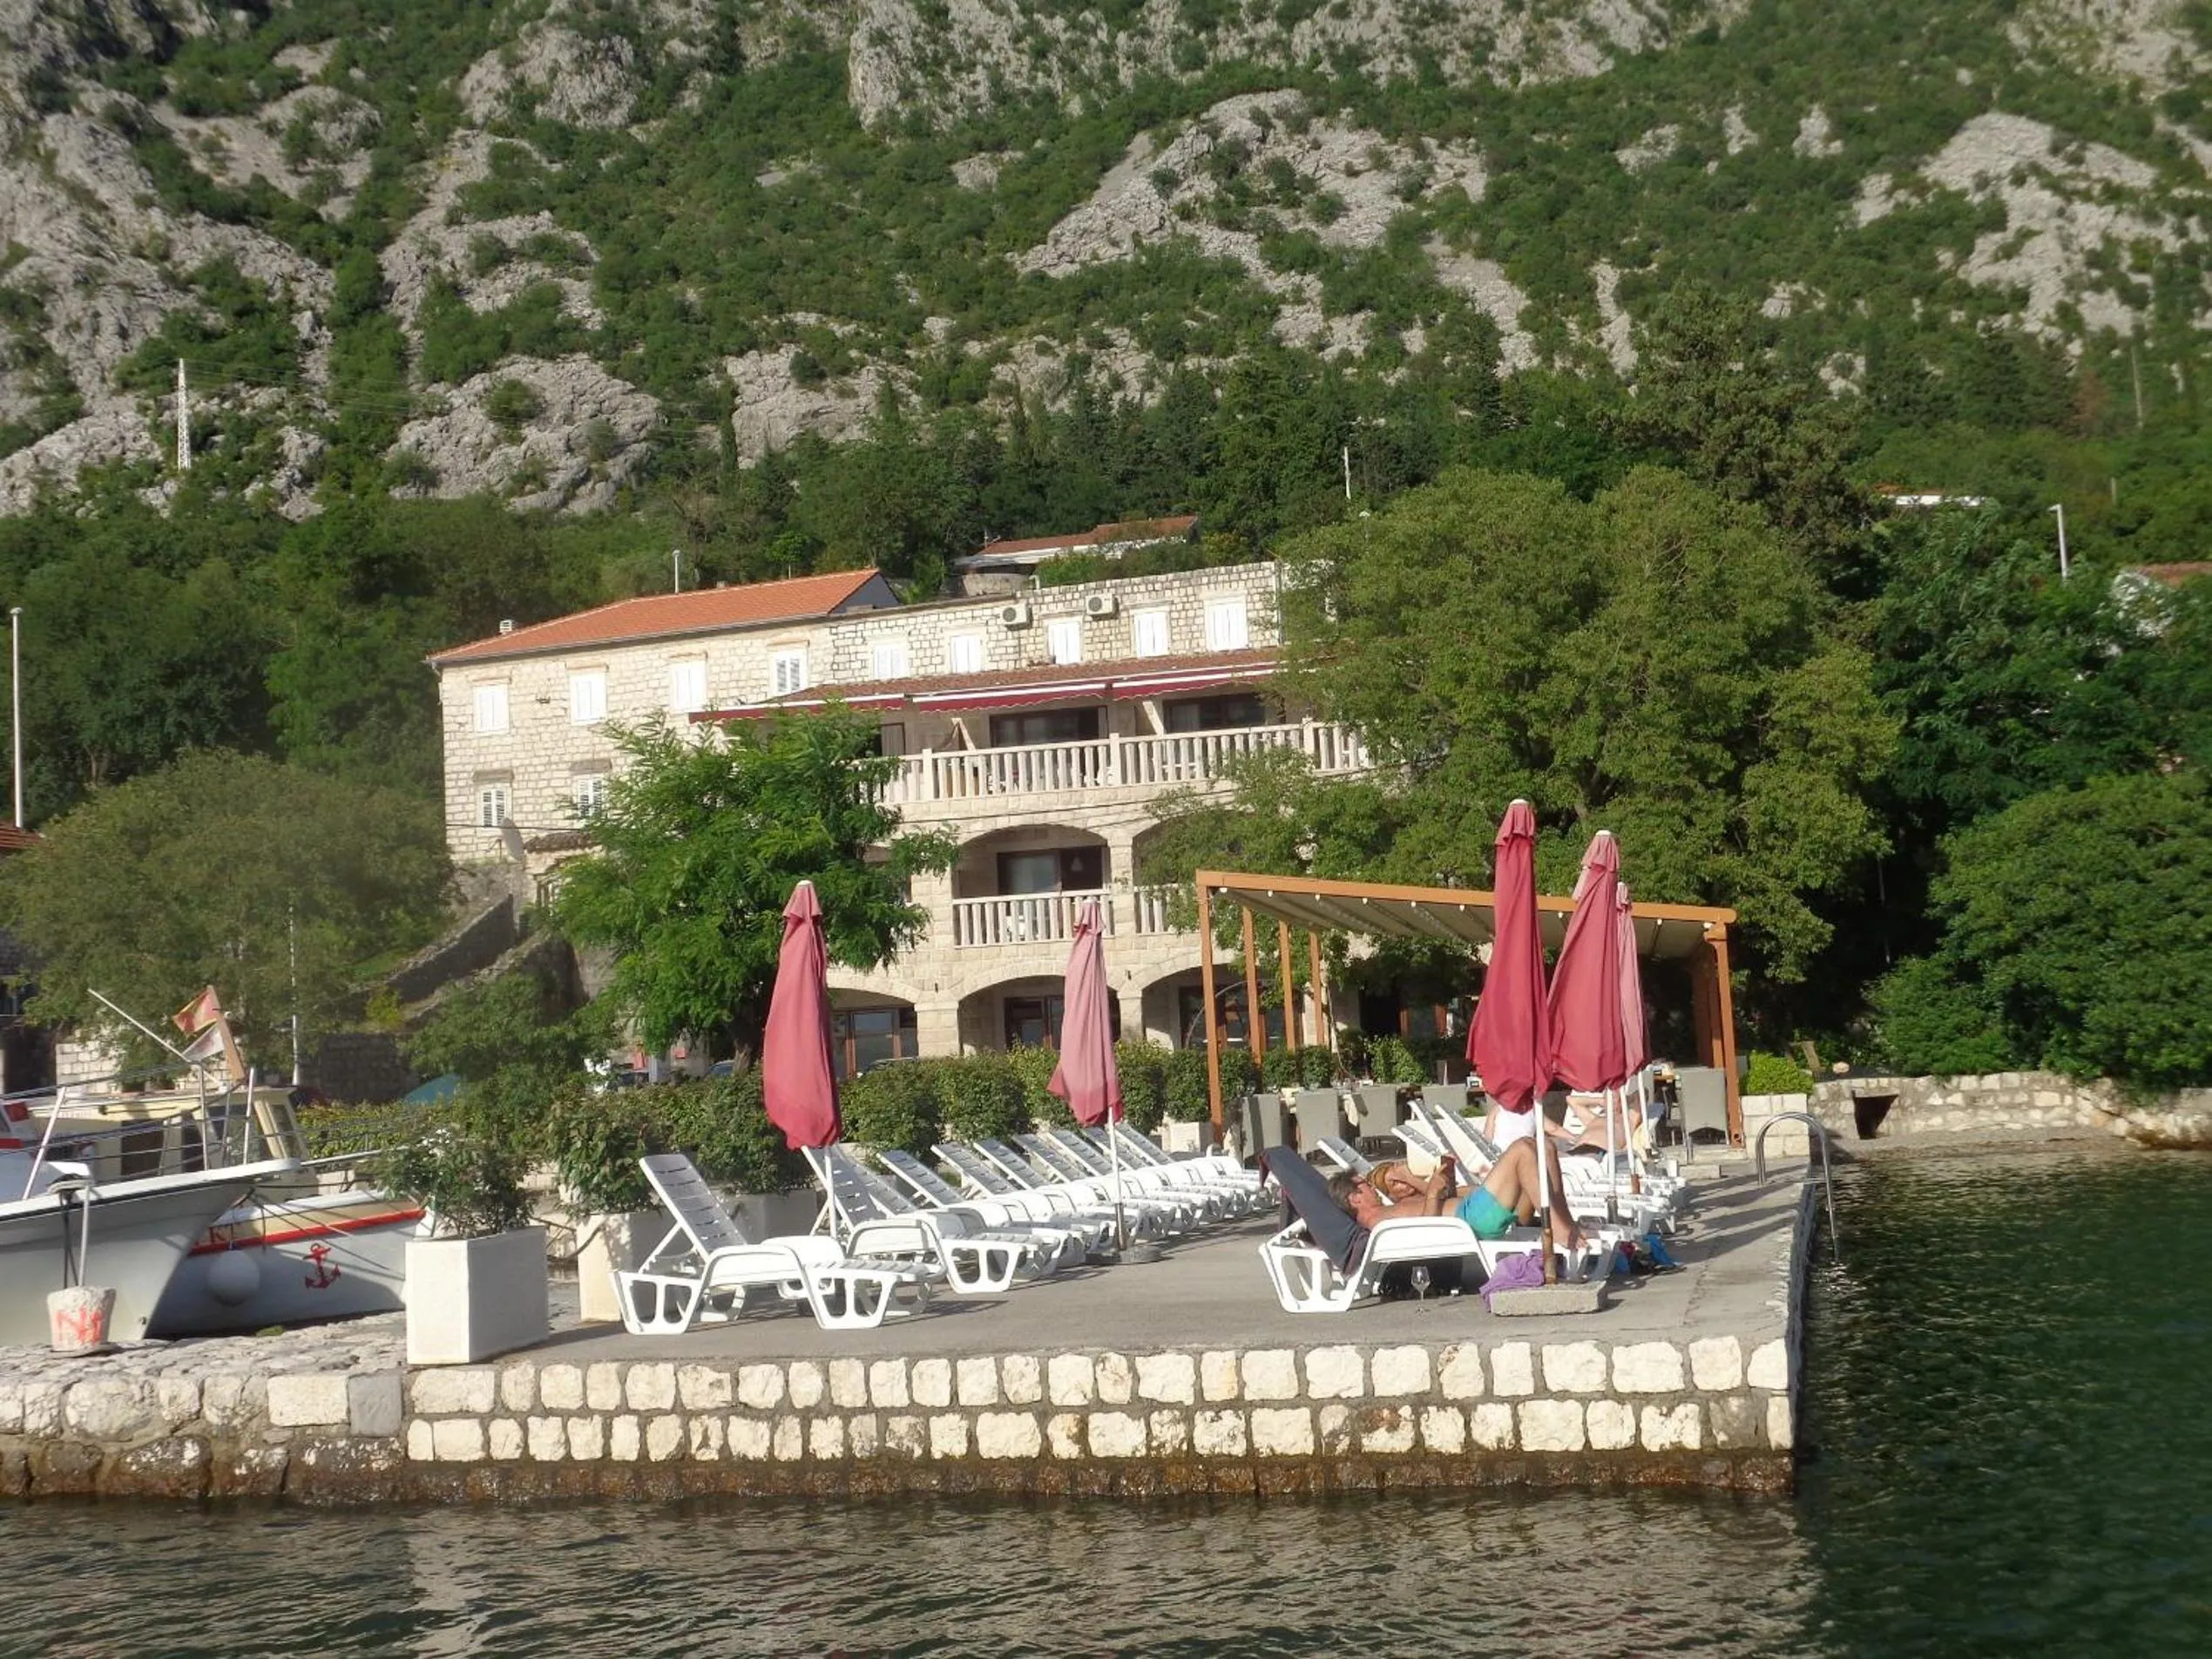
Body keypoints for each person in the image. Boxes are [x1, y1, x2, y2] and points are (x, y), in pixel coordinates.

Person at [1327, 1140, 1583, 1250]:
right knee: (1523, 1150)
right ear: (1354, 1199)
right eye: (1364, 1185)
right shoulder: (1377, 1221)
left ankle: (1566, 1224)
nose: (1371, 1188)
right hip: (1473, 1219)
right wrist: (1432, 1194)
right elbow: (1426, 1235)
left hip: (1474, 1211)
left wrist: (1444, 1179)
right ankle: (1559, 1231)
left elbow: (1441, 1202)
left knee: (1543, 1147)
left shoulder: (1389, 1210)